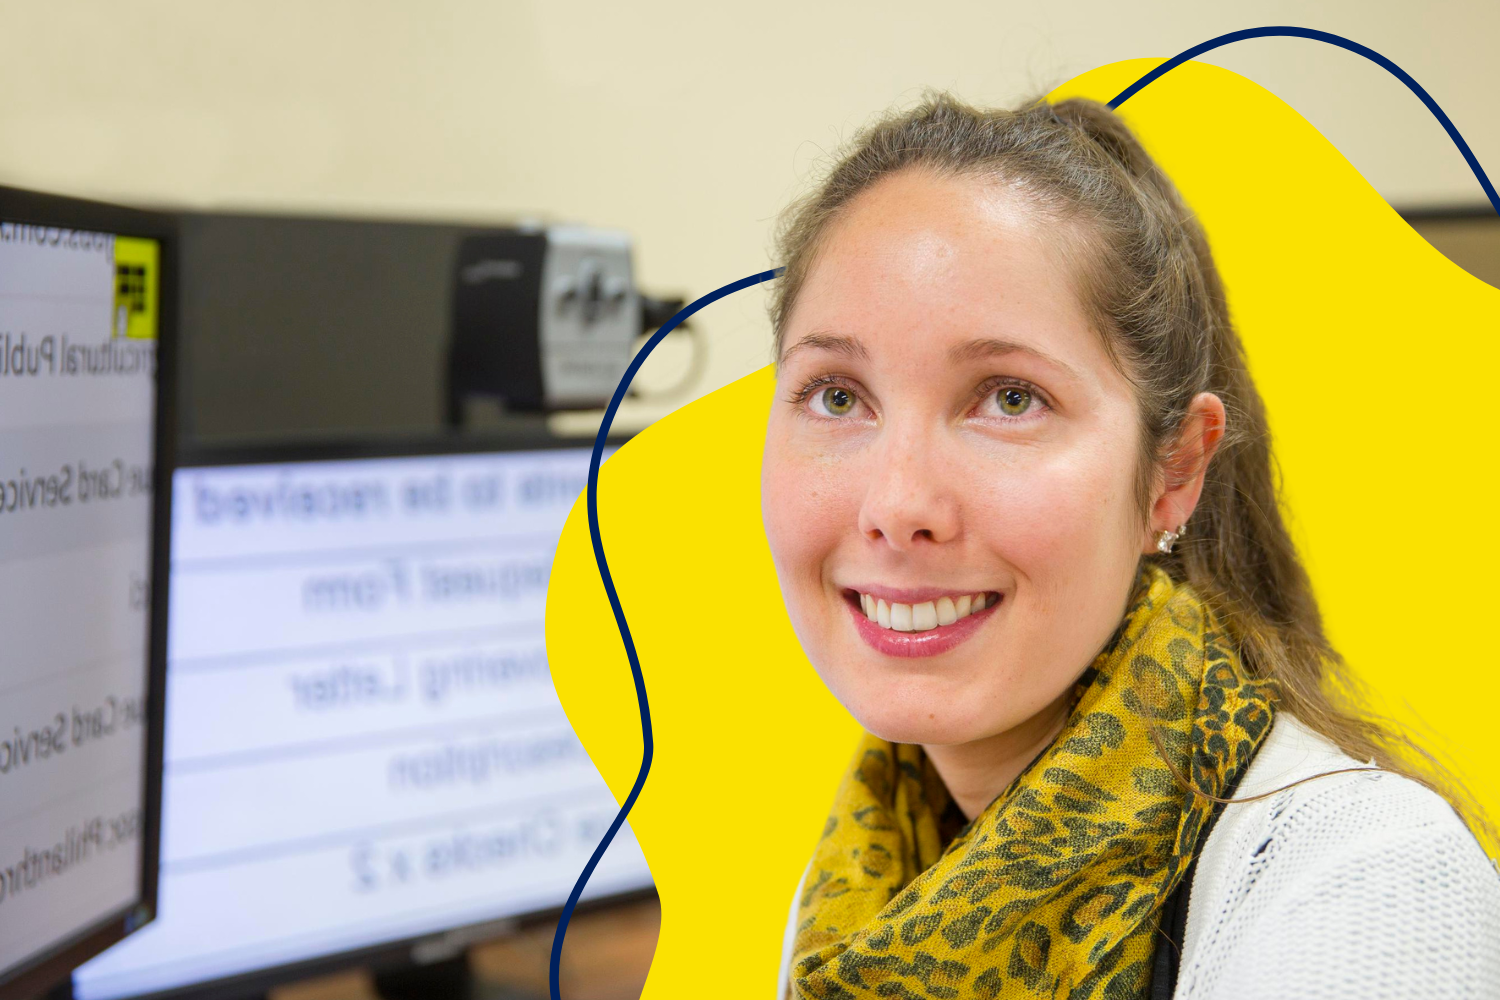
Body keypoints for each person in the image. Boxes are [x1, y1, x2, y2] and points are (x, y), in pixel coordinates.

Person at [758, 92, 1500, 1000]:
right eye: (837, 396)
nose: (898, 504)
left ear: (1173, 472)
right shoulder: (858, 887)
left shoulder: (1366, 887)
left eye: (1010, 397)